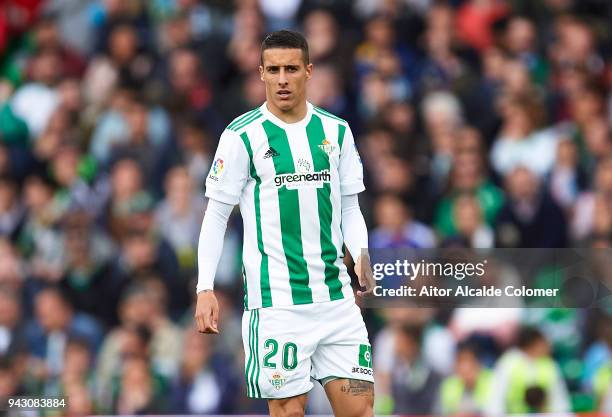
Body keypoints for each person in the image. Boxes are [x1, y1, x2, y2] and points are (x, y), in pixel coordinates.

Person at [195, 30, 375, 417]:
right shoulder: (241, 136)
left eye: (291, 68)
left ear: (308, 72)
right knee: (289, 412)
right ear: (260, 73)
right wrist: (205, 287)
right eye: (273, 69)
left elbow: (350, 208)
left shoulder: (336, 131)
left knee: (360, 409)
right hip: (277, 306)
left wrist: (360, 253)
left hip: (336, 301)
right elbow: (215, 216)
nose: (282, 79)